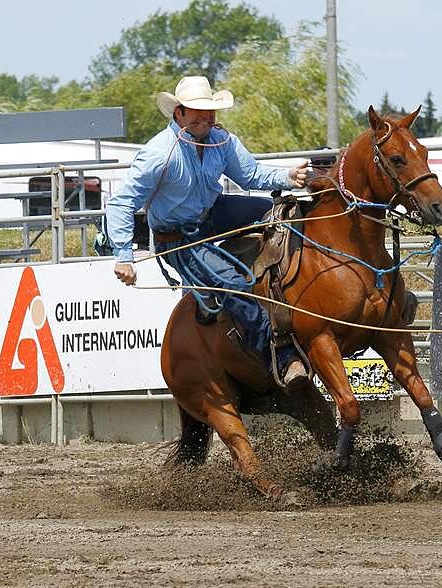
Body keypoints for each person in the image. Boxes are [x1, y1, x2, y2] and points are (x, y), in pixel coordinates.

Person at [106, 75, 309, 386]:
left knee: (284, 214)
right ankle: (278, 358)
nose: (206, 117)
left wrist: (287, 176)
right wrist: (124, 256)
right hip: (179, 237)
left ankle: (291, 289)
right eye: (196, 110)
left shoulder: (221, 140)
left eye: (209, 110)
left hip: (214, 212)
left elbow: (250, 174)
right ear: (179, 113)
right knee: (231, 283)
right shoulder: (160, 154)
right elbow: (121, 204)